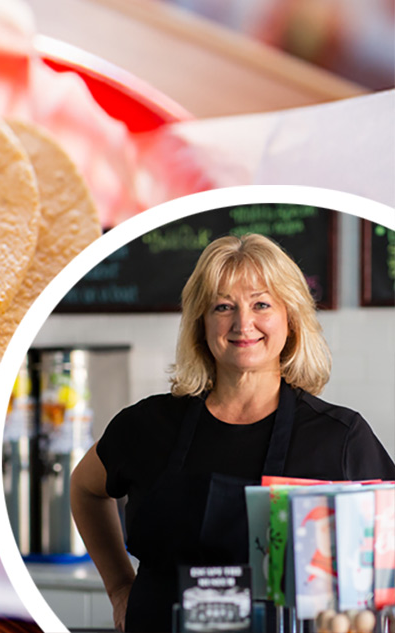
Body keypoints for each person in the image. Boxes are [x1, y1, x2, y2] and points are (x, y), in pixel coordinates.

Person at [69, 233, 395, 633]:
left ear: (290, 319)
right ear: (201, 324)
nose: (244, 324)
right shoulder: (146, 424)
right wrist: (120, 585)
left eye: (262, 304)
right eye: (223, 307)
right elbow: (84, 489)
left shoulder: (340, 437)